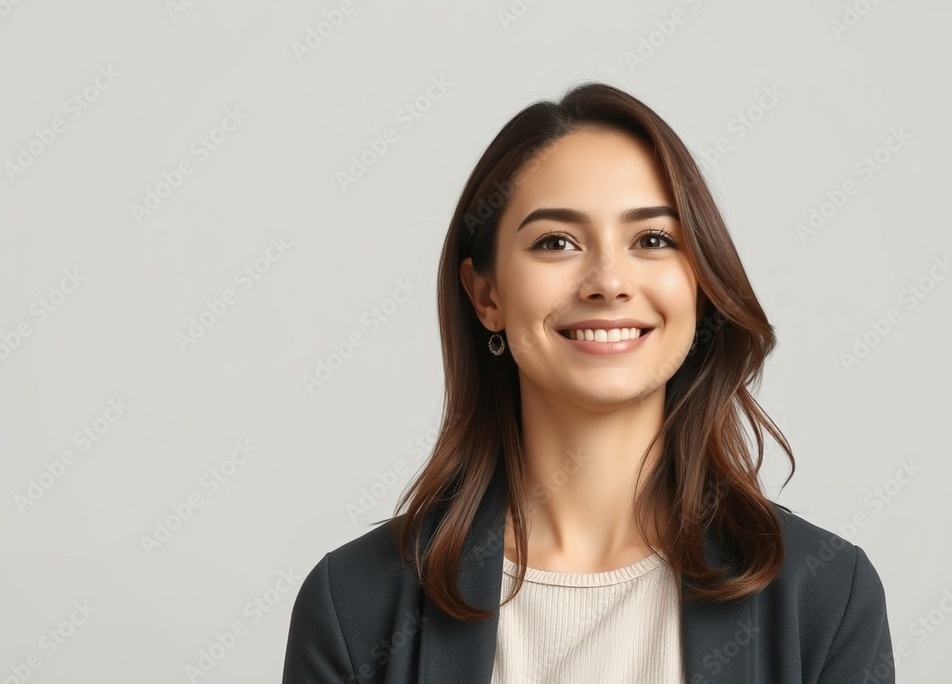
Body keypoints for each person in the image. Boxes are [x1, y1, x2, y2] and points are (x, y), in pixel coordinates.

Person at [282, 82, 895, 684]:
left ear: (701, 288)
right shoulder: (354, 606)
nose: (608, 280)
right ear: (486, 295)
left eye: (653, 240)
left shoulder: (826, 595)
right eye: (556, 242)